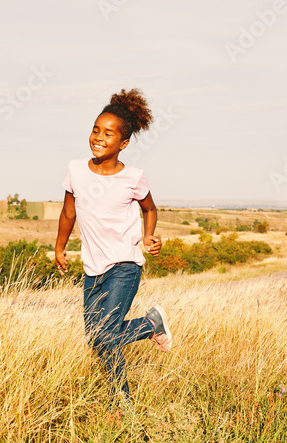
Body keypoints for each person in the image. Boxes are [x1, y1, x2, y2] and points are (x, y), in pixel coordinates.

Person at [55, 88, 172, 410]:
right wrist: (60, 247)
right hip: (92, 268)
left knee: (104, 336)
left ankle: (150, 324)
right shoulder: (75, 169)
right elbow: (69, 212)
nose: (98, 137)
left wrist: (149, 237)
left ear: (123, 143)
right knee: (99, 341)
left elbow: (150, 209)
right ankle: (123, 403)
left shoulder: (133, 178)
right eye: (95, 130)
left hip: (124, 264)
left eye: (108, 134)